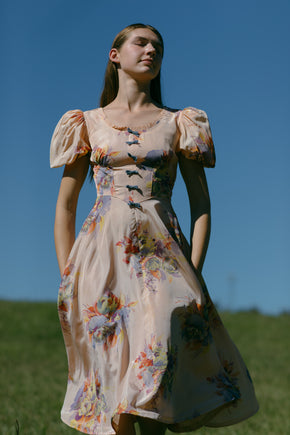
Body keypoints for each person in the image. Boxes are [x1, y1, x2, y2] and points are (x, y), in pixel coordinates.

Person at [50, 23, 258, 435]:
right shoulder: (85, 123)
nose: (151, 51)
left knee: (157, 355)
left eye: (158, 47)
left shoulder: (181, 122)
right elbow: (66, 207)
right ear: (115, 55)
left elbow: (202, 205)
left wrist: (194, 270)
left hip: (163, 257)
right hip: (100, 256)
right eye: (141, 43)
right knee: (114, 372)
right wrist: (68, 274)